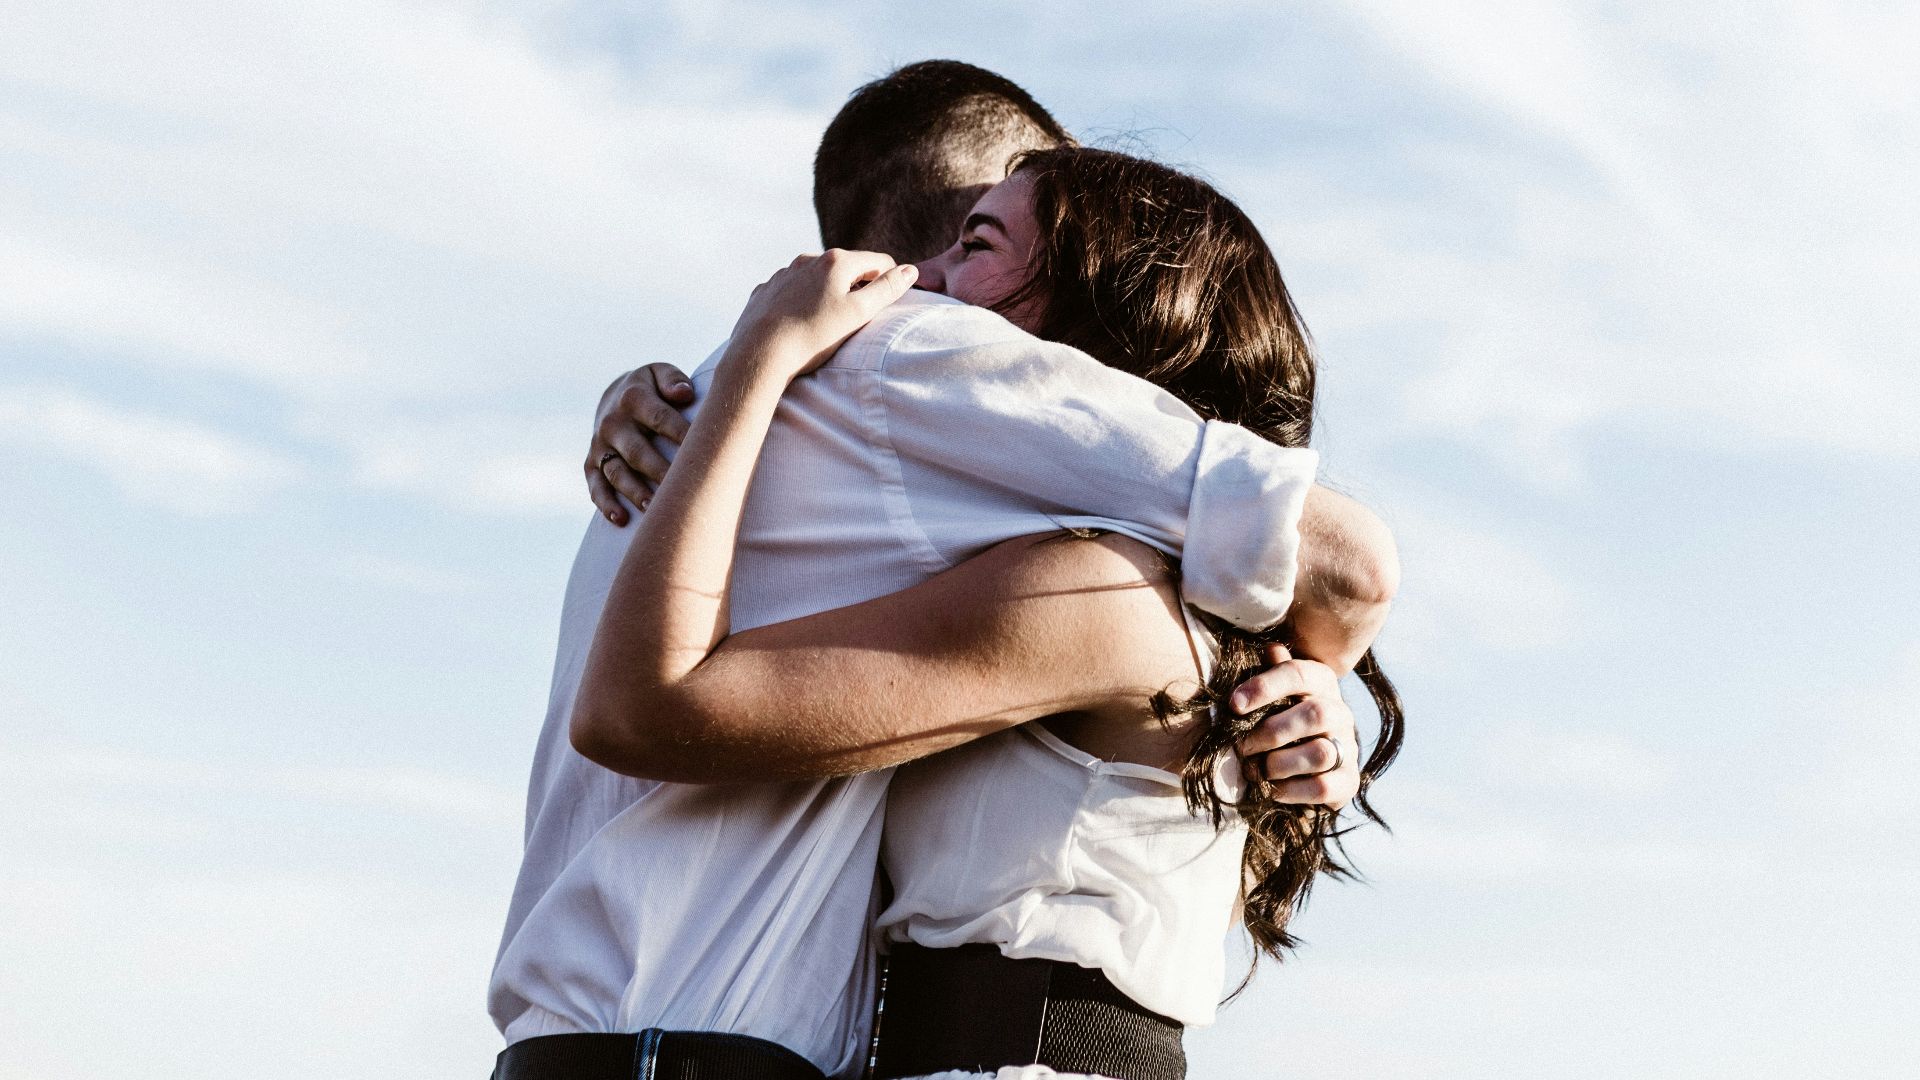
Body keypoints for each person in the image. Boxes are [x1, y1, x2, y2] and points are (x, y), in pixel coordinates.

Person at [490, 62, 1393, 1080]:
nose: (920, 294)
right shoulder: (906, 427)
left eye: (981, 250)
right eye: (967, 236)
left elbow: (1347, 568)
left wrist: (1311, 673)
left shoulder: (1107, 593)